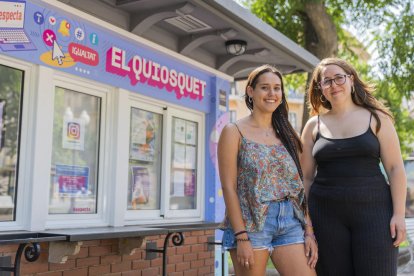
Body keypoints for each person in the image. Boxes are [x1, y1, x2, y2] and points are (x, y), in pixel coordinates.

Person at [301, 57, 407, 276]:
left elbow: (396, 169)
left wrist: (398, 215)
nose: (334, 85)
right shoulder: (313, 125)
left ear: (351, 80)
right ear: (320, 88)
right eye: (326, 81)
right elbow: (305, 178)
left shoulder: (377, 119)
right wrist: (308, 226)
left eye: (339, 77)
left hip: (375, 214)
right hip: (326, 216)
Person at [218, 64, 318, 275]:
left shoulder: (289, 136)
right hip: (251, 224)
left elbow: (299, 188)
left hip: (290, 221)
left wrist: (309, 231)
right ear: (250, 91)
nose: (272, 93)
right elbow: (229, 187)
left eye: (277, 88)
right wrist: (241, 236)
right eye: (265, 87)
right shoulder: (233, 131)